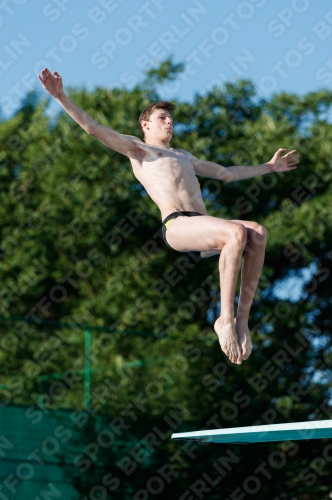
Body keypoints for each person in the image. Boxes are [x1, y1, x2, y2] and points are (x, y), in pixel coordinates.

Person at [38, 68, 299, 365]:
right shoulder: (138, 150)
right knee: (236, 233)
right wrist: (61, 97)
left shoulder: (184, 156)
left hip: (200, 225)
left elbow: (226, 174)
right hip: (177, 225)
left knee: (258, 232)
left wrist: (268, 166)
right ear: (145, 124)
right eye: (162, 118)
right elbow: (94, 128)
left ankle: (241, 321)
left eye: (171, 118)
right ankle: (223, 319)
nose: (169, 122)